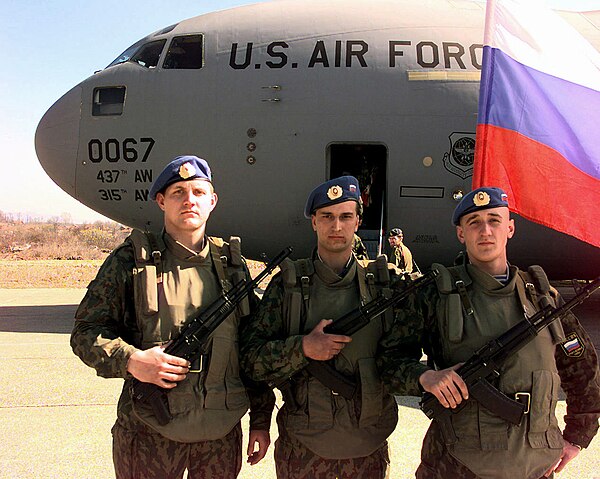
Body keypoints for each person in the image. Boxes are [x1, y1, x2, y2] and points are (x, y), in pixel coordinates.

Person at [70, 155, 274, 479]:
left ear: (212, 201)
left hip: (219, 438)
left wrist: (261, 421)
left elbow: (251, 351)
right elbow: (85, 333)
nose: (189, 200)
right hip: (149, 433)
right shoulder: (131, 262)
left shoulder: (234, 269)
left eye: (197, 192)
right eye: (178, 192)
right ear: (161, 201)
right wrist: (132, 360)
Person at [379, 187, 600, 479]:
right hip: (453, 465)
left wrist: (577, 436)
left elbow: (582, 367)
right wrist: (425, 377)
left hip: (533, 465)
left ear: (510, 228)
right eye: (474, 222)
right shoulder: (433, 295)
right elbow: (387, 363)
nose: (485, 230)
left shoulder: (542, 297)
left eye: (494, 220)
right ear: (461, 233)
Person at [240, 176, 400, 478]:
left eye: (345, 217)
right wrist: (302, 348)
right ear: (314, 222)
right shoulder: (287, 286)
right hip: (303, 449)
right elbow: (250, 359)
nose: (336, 226)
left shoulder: (385, 286)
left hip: (367, 450)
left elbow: (403, 359)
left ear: (357, 222)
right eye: (327, 217)